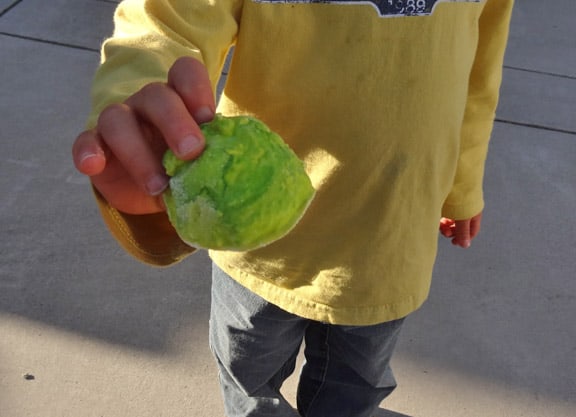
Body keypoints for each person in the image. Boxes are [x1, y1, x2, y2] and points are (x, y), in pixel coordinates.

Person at [72, 0, 514, 416]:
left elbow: (479, 66)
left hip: (389, 236)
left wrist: (463, 184)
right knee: (249, 378)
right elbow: (169, 21)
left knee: (356, 384)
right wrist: (143, 103)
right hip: (261, 248)